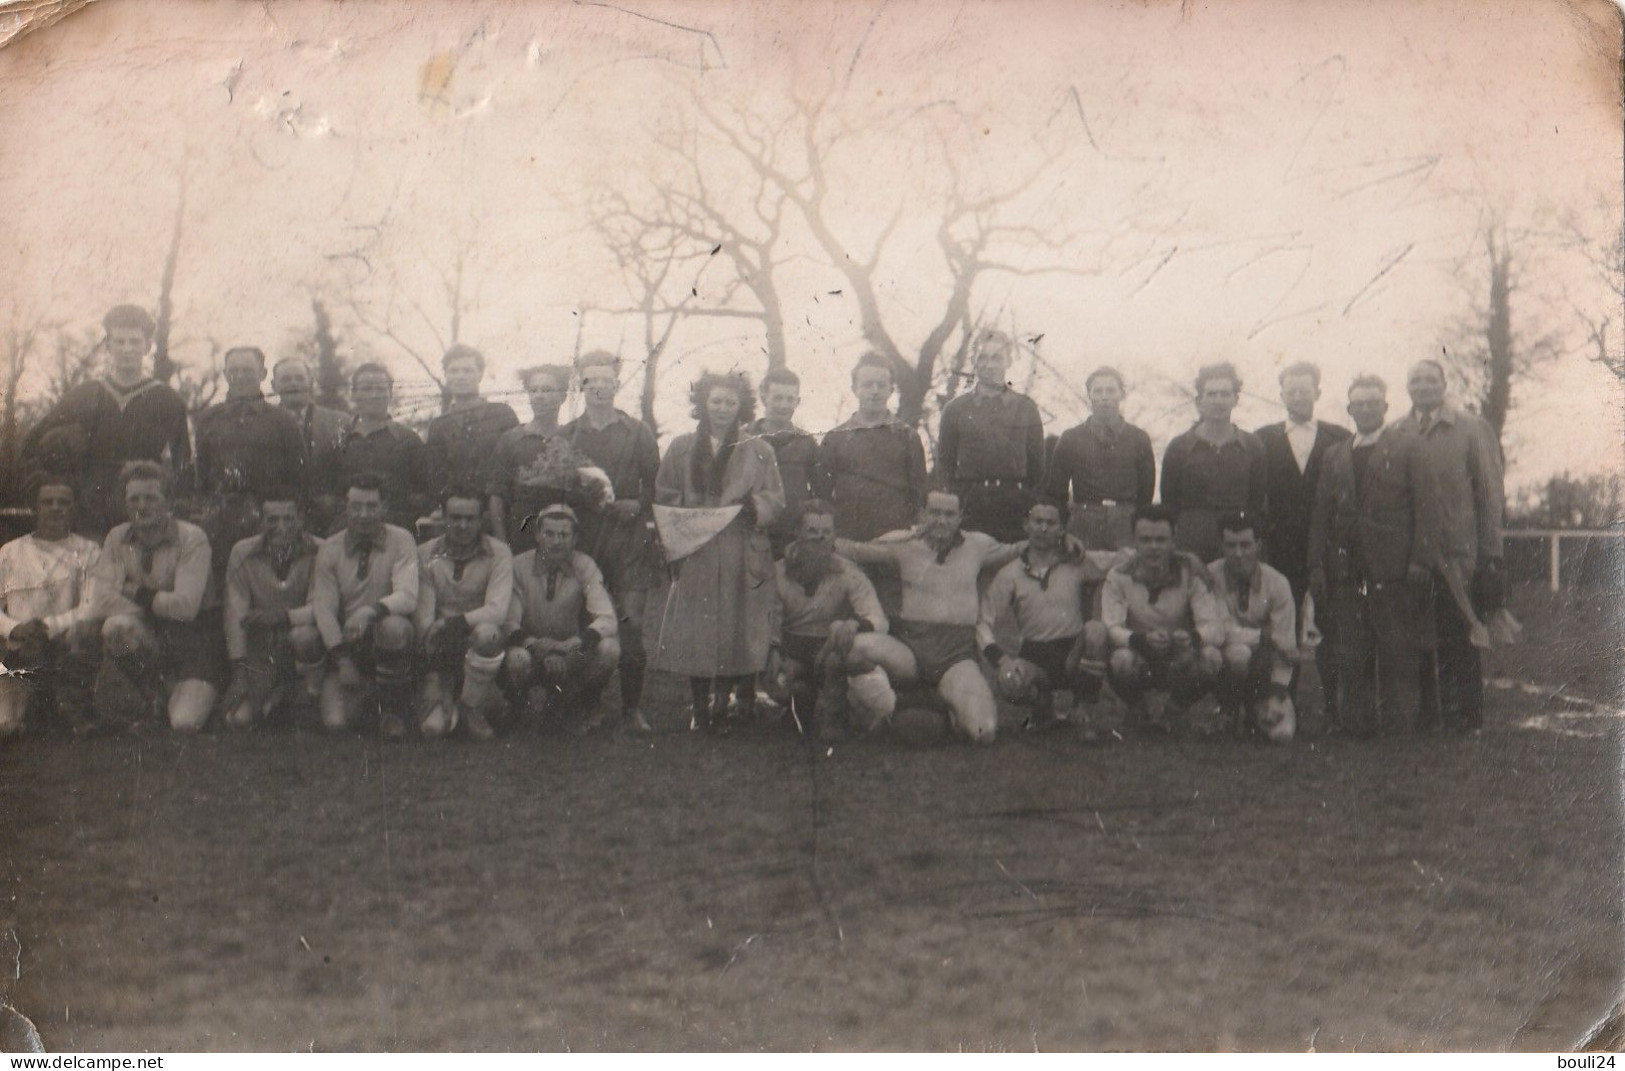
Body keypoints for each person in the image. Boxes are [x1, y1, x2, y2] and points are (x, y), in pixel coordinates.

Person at [835, 489, 1037, 745]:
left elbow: (1017, 550)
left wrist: (1066, 542)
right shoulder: (903, 542)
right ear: (922, 514)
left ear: (961, 517)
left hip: (955, 655)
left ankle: (943, 707)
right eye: (935, 513)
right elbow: (853, 550)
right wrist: (812, 539)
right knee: (853, 647)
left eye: (949, 514)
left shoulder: (978, 545)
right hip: (908, 650)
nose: (942, 521)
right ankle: (882, 709)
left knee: (983, 732)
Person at [652, 371, 785, 735]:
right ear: (703, 404)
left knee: (736, 626)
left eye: (731, 402)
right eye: (716, 401)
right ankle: (699, 708)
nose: (723, 409)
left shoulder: (760, 449)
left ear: (742, 406)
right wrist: (694, 514)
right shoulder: (681, 447)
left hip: (742, 546)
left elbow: (776, 499)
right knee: (699, 628)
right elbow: (664, 493)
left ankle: (726, 703)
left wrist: (750, 506)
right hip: (698, 547)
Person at [1307, 375, 1433, 736]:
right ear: (1349, 410)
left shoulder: (1409, 447)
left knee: (1397, 651)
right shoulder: (1335, 454)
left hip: (1394, 568)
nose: (1365, 409)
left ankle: (1399, 726)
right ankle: (1357, 725)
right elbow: (1321, 513)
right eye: (1358, 404)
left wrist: (1420, 560)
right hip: (1347, 570)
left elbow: (1426, 508)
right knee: (1352, 650)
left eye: (1372, 403)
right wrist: (1316, 563)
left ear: (1385, 407)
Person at [1392, 358, 1505, 734]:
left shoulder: (1471, 428)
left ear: (1443, 384)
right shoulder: (1397, 431)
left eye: (1429, 379)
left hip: (1460, 553)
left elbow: (1489, 494)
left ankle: (1466, 718)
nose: (1422, 386)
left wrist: (1491, 553)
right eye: (1415, 380)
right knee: (1419, 635)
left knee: (1459, 635)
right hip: (1414, 556)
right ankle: (1427, 715)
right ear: (1407, 388)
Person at [22, 305, 191, 536]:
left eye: (134, 342)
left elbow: (184, 462)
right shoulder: (84, 394)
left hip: (142, 503)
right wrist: (62, 485)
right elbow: (32, 444)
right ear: (107, 346)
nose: (127, 349)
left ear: (147, 346)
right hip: (89, 506)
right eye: (119, 342)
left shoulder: (168, 399)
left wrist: (171, 505)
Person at [561, 351, 662, 735]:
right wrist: (587, 498)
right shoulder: (568, 434)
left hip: (629, 540)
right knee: (589, 622)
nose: (599, 387)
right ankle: (589, 705)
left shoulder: (637, 432)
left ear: (617, 385)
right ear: (581, 386)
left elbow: (657, 486)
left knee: (631, 623)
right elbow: (559, 489)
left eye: (607, 381)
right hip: (585, 539)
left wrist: (637, 504)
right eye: (591, 381)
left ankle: (632, 707)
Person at [92, 461, 223, 733]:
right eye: (134, 498)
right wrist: (158, 605)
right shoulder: (117, 538)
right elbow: (101, 600)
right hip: (152, 637)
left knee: (184, 723)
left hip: (194, 642)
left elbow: (186, 607)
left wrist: (135, 591)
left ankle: (203, 691)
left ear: (169, 501)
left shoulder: (192, 538)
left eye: (151, 497)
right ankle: (153, 693)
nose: (142, 506)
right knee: (116, 627)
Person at [1254, 361, 1351, 719]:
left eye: (1304, 390)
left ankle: (1333, 708)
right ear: (1281, 396)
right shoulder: (1262, 438)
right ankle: (1284, 702)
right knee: (1284, 625)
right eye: (1291, 390)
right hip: (1281, 546)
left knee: (1330, 624)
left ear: (1317, 393)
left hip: (1328, 545)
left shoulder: (1339, 436)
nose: (1298, 396)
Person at [976, 497, 1113, 733]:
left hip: (1073, 653)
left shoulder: (1078, 562)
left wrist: (1189, 560)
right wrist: (1000, 659)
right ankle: (1042, 706)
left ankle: (1082, 708)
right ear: (1025, 525)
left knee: (1096, 632)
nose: (1043, 528)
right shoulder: (1010, 573)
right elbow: (983, 622)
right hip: (1035, 654)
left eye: (1051, 523)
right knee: (1009, 681)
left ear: (1061, 529)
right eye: (1037, 521)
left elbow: (1122, 560)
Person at [814, 352, 927, 618]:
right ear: (855, 388)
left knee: (891, 615)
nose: (874, 391)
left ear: (891, 389)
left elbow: (919, 494)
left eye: (881, 384)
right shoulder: (835, 438)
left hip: (892, 546)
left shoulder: (906, 436)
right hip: (847, 543)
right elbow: (821, 495)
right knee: (847, 614)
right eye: (867, 384)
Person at [309, 472, 420, 737]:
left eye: (371, 506)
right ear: (345, 508)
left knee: (394, 627)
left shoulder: (401, 539)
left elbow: (408, 595)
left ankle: (391, 709)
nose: (363, 514)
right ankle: (359, 696)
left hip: (387, 640)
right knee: (336, 724)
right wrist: (343, 660)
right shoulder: (330, 548)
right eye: (356, 506)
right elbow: (323, 608)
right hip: (349, 645)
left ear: (384, 508)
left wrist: (369, 611)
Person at [766, 499, 887, 739]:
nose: (819, 538)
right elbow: (768, 620)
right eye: (811, 531)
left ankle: (835, 714)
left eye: (826, 532)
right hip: (791, 647)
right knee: (784, 680)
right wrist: (772, 652)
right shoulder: (777, 573)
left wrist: (855, 624)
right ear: (797, 534)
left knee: (838, 659)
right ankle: (797, 703)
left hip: (829, 645)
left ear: (834, 536)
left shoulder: (848, 571)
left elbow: (877, 617)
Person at [1100, 504, 1226, 735]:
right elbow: (1111, 626)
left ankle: (1175, 710)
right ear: (1134, 541)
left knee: (1212, 657)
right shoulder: (1119, 575)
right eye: (1145, 540)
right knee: (1120, 660)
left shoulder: (1190, 573)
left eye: (1161, 539)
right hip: (1139, 653)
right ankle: (1138, 709)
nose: (1153, 547)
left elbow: (1215, 627)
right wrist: (1140, 639)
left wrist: (1192, 637)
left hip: (1178, 656)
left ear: (1173, 540)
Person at [502, 503, 621, 731]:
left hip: (570, 652)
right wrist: (537, 647)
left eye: (564, 534)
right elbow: (509, 623)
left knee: (609, 649)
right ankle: (517, 706)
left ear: (575, 538)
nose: (557, 541)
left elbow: (607, 619)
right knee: (517, 659)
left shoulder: (584, 564)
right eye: (549, 534)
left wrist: (569, 645)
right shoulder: (518, 566)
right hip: (531, 650)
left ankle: (582, 701)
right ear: (537, 535)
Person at [0, 479, 103, 739]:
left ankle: (73, 707)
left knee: (84, 633)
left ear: (74, 508)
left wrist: (49, 627)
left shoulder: (89, 551)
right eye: (47, 502)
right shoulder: (10, 552)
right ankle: (32, 704)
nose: (55, 508)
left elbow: (92, 604)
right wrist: (15, 628)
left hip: (67, 646)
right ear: (35, 508)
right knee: (8, 727)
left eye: (64, 502)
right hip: (21, 650)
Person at [192, 346, 308, 576]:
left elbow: (299, 477)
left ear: (263, 374)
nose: (240, 375)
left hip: (268, 521)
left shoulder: (283, 421)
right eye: (233, 370)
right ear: (225, 374)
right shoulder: (208, 419)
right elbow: (201, 476)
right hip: (220, 520)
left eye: (247, 370)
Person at [413, 484, 514, 740]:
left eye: (470, 518)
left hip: (479, 649)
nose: (462, 525)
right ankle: (443, 696)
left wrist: (452, 624)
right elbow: (425, 618)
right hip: (439, 648)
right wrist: (440, 678)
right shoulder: (425, 553)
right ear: (443, 517)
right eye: (455, 518)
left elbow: (497, 610)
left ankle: (472, 707)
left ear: (482, 520)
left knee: (489, 633)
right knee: (433, 730)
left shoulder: (499, 553)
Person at [219, 490, 325, 730]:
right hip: (263, 646)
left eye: (289, 519)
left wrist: (282, 616)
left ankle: (306, 695)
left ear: (301, 519)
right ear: (260, 521)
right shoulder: (242, 552)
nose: (281, 527)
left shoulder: (321, 550)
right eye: (272, 520)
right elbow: (235, 614)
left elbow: (322, 606)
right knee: (238, 720)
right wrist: (239, 671)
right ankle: (276, 694)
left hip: (303, 641)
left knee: (305, 637)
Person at [933, 329, 1045, 542]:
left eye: (996, 358)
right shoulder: (955, 409)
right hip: (970, 506)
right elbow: (945, 464)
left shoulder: (1025, 407)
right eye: (982, 358)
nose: (989, 364)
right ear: (974, 362)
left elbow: (1037, 467)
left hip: (1015, 506)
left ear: (1009, 361)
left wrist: (1025, 499)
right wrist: (959, 499)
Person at [488, 364, 610, 548]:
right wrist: (502, 546)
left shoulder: (575, 439)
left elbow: (594, 495)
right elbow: (497, 497)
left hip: (565, 541)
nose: (539, 396)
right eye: (533, 390)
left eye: (547, 390)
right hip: (522, 537)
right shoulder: (511, 439)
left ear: (562, 396)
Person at [1160, 361, 1268, 562]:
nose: (1219, 401)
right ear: (1199, 401)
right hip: (1191, 544)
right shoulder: (1179, 447)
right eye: (1211, 394)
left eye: (1225, 394)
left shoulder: (1253, 445)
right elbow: (1169, 505)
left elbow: (1257, 503)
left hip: (1237, 542)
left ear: (1236, 399)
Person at [1043, 366, 1155, 551]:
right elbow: (1056, 492)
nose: (1104, 396)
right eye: (1098, 391)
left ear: (1121, 394)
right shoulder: (1071, 437)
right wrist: (1064, 531)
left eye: (1111, 390)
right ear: (1090, 395)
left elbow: (1146, 494)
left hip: (1125, 522)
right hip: (1084, 521)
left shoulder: (1139, 438)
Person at [1205, 512, 1297, 736]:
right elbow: (1218, 631)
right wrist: (1262, 637)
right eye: (1231, 545)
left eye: (1245, 545)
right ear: (1221, 546)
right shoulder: (1210, 576)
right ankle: (1228, 710)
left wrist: (1278, 693)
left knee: (1280, 734)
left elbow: (1285, 644)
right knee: (1235, 653)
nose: (1238, 553)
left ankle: (1257, 707)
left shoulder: (1277, 583)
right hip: (1229, 658)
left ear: (1259, 545)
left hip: (1264, 667)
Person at [333, 364, 429, 535]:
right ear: (354, 394)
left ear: (390, 393)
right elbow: (328, 492)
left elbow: (425, 493)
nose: (374, 395)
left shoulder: (408, 440)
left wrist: (400, 517)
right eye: (367, 389)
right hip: (346, 533)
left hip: (395, 533)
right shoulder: (339, 440)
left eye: (380, 388)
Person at [423, 344, 520, 498]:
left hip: (497, 508)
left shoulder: (502, 414)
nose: (460, 376)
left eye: (467, 370)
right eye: (453, 371)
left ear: (480, 374)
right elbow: (435, 478)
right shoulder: (439, 426)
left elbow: (515, 467)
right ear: (446, 376)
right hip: (456, 512)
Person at [271, 356, 350, 535]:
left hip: (331, 522)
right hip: (281, 524)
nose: (293, 384)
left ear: (311, 382)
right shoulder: (265, 424)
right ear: (274, 386)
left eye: (299, 378)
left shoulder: (340, 422)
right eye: (286, 379)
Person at [748, 368, 819, 559]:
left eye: (790, 399)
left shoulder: (806, 442)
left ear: (798, 401)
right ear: (764, 398)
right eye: (777, 398)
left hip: (793, 534)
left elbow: (819, 491)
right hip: (752, 531)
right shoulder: (744, 438)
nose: (783, 405)